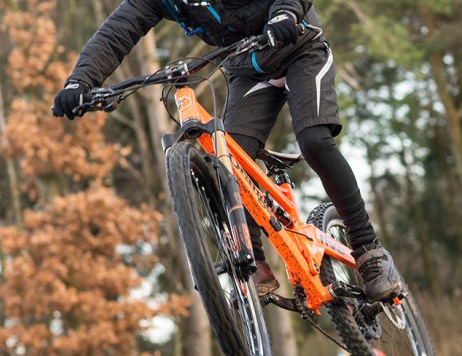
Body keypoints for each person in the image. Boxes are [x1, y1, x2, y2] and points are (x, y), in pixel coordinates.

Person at [51, 0, 402, 301]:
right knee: (228, 162)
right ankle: (253, 261)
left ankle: (368, 248)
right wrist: (80, 82)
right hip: (249, 70)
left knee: (314, 141)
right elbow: (116, 32)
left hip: (299, 46)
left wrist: (285, 12)